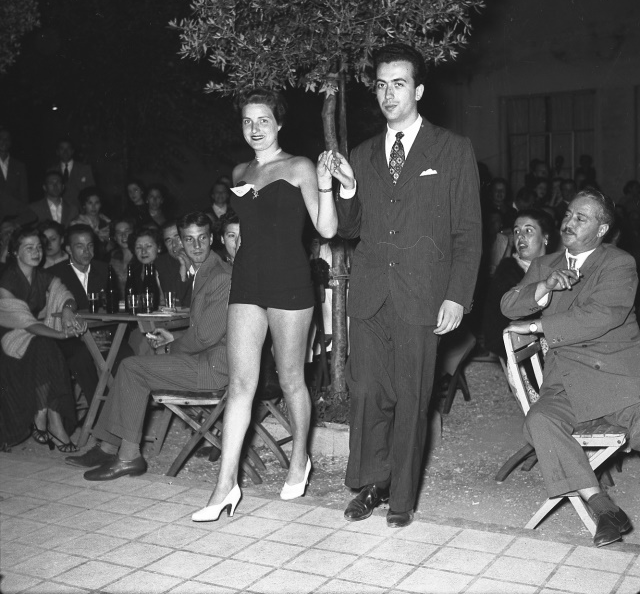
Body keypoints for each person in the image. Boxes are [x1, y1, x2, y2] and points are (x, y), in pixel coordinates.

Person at [325, 43, 482, 528]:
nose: (388, 94)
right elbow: (349, 229)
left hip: (423, 295)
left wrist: (457, 295)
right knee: (367, 392)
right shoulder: (362, 154)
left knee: (412, 397)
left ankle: (401, 499)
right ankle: (373, 483)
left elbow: (468, 233)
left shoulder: (452, 149)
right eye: (380, 85)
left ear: (418, 89)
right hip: (370, 295)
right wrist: (348, 188)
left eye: (398, 83)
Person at [192, 88, 337, 522]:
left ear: (279, 123)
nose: (255, 129)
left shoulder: (299, 166)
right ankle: (225, 486)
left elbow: (327, 228)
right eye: (247, 121)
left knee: (292, 379)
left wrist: (325, 185)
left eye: (263, 120)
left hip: (290, 281)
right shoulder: (241, 170)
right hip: (247, 281)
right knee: (240, 384)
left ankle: (299, 459)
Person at [501, 189, 640, 548]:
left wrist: (538, 325)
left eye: (581, 218)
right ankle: (602, 507)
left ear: (602, 229)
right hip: (566, 382)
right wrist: (543, 286)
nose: (569, 222)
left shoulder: (618, 263)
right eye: (567, 214)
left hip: (615, 378)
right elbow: (509, 305)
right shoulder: (545, 264)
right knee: (539, 421)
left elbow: (600, 316)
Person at [65, 212, 231, 479]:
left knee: (132, 368)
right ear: (181, 242)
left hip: (214, 368)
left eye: (202, 238)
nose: (197, 245)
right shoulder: (205, 270)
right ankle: (108, 447)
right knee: (128, 366)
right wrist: (174, 338)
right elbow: (206, 329)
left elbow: (204, 338)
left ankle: (128, 457)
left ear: (212, 238)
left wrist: (170, 348)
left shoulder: (219, 276)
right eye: (189, 239)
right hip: (207, 358)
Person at [0, 226, 88, 451]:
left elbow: (66, 295)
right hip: (9, 341)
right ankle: (53, 423)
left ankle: (44, 415)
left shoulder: (42, 276)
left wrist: (67, 309)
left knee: (45, 347)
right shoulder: (7, 280)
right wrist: (60, 334)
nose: (36, 252)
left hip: (36, 340)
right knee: (47, 345)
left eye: (39, 247)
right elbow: (25, 322)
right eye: (29, 248)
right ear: (15, 252)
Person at [483, 208, 554, 359]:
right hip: (520, 351)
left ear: (545, 237)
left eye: (528, 230)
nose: (520, 236)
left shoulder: (554, 266)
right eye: (516, 231)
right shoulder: (508, 269)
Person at [47, 223, 106, 404]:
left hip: (102, 332)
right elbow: (54, 313)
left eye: (90, 245)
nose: (86, 251)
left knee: (124, 353)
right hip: (70, 337)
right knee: (81, 356)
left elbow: (110, 308)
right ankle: (99, 410)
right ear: (68, 249)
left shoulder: (104, 270)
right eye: (79, 246)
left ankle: (125, 408)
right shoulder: (54, 274)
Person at [48, 139, 95, 214]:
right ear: (57, 152)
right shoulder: (51, 171)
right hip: (58, 213)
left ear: (72, 151)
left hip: (80, 213)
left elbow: (92, 194)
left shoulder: (85, 169)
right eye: (62, 149)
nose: (65, 152)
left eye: (68, 148)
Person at [71, 187, 111, 252]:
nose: (93, 207)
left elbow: (112, 245)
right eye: (90, 203)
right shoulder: (76, 223)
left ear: (100, 204)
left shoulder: (106, 222)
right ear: (84, 205)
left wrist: (109, 239)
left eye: (97, 203)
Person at [0, 128, 28, 204]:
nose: (4, 141)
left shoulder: (19, 166)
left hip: (14, 210)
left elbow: (24, 195)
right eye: (1, 138)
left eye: (7, 139)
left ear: (11, 142)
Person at [108, 217, 135, 295]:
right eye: (119, 233)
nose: (123, 235)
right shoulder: (110, 258)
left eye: (127, 231)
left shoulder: (142, 257)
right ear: (114, 237)